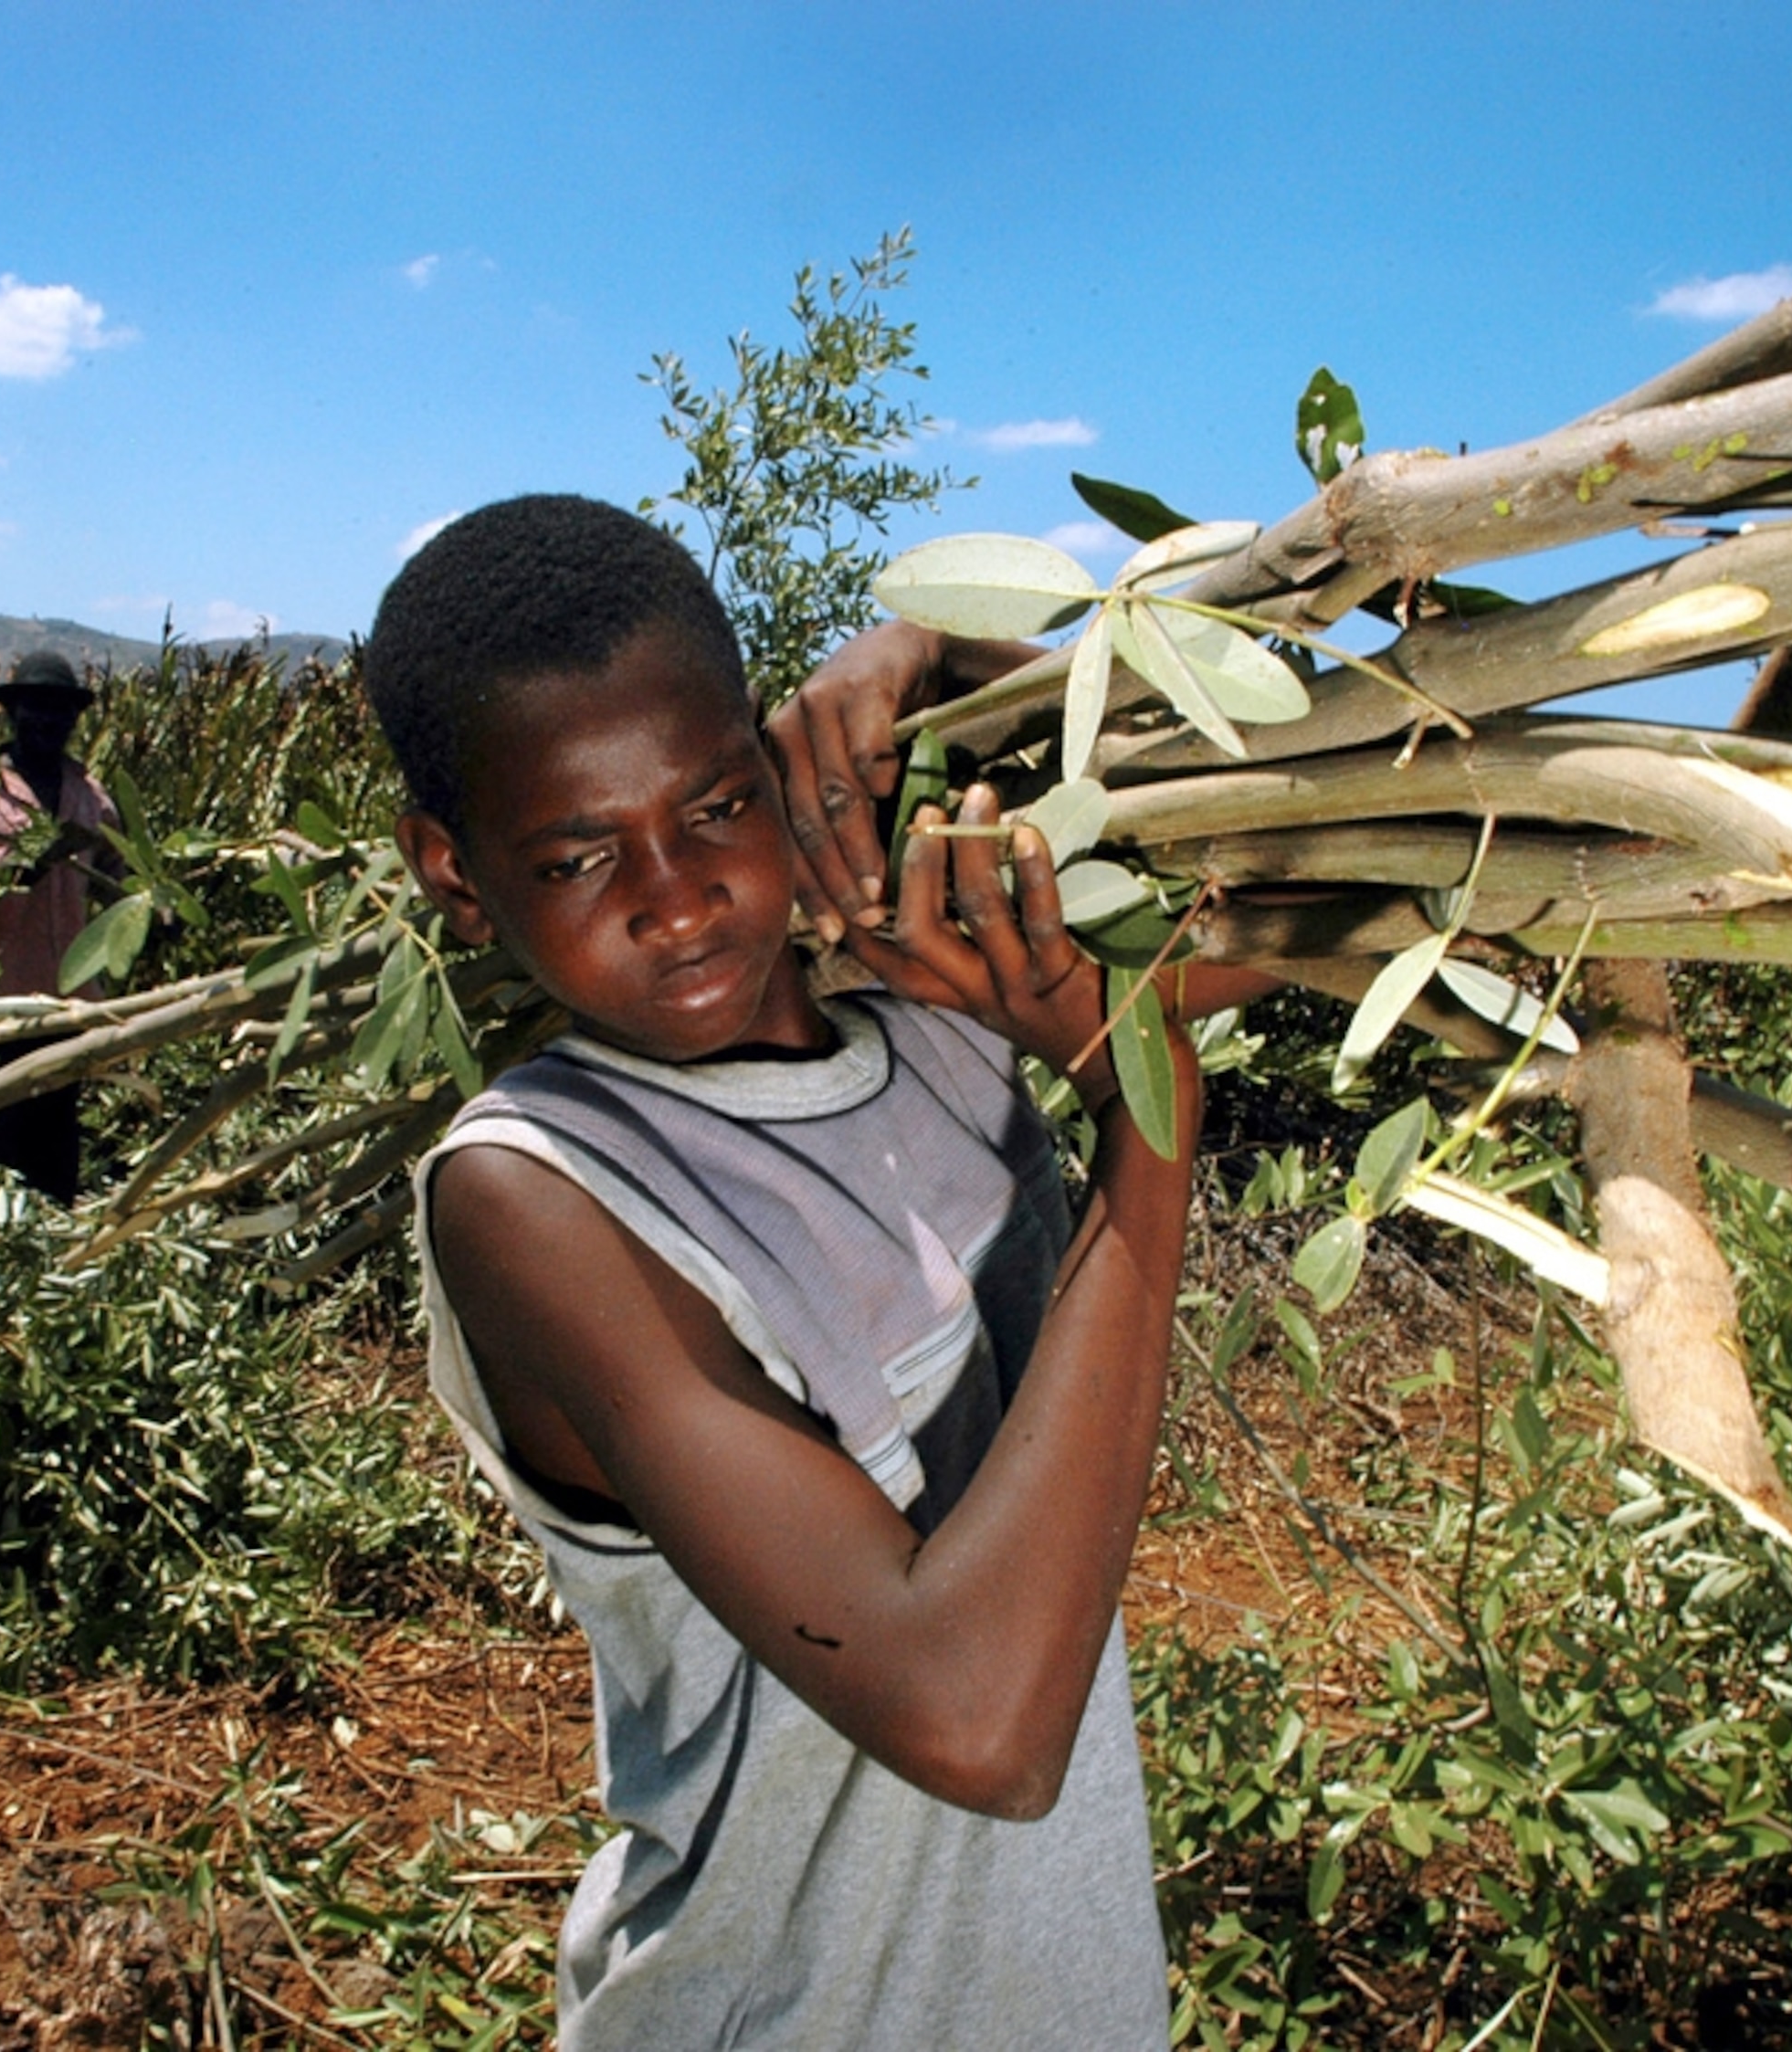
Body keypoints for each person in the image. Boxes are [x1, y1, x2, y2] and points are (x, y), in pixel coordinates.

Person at [367, 495, 1207, 2047]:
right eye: (574, 856)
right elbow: (976, 1720)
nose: (674, 897)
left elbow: (1244, 856)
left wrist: (943, 646)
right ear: (455, 871)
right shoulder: (543, 1198)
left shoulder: (932, 1005)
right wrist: (1141, 1121)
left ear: (771, 758)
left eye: (711, 808)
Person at [0, 650, 122, 1204]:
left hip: (63, 1010)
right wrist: (20, 871)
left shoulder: (91, 799)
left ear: (74, 720)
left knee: (52, 1159)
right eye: (36, 709)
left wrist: (152, 910)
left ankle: (49, 1273)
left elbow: (116, 884)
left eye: (60, 712)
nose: (47, 722)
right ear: (12, 714)